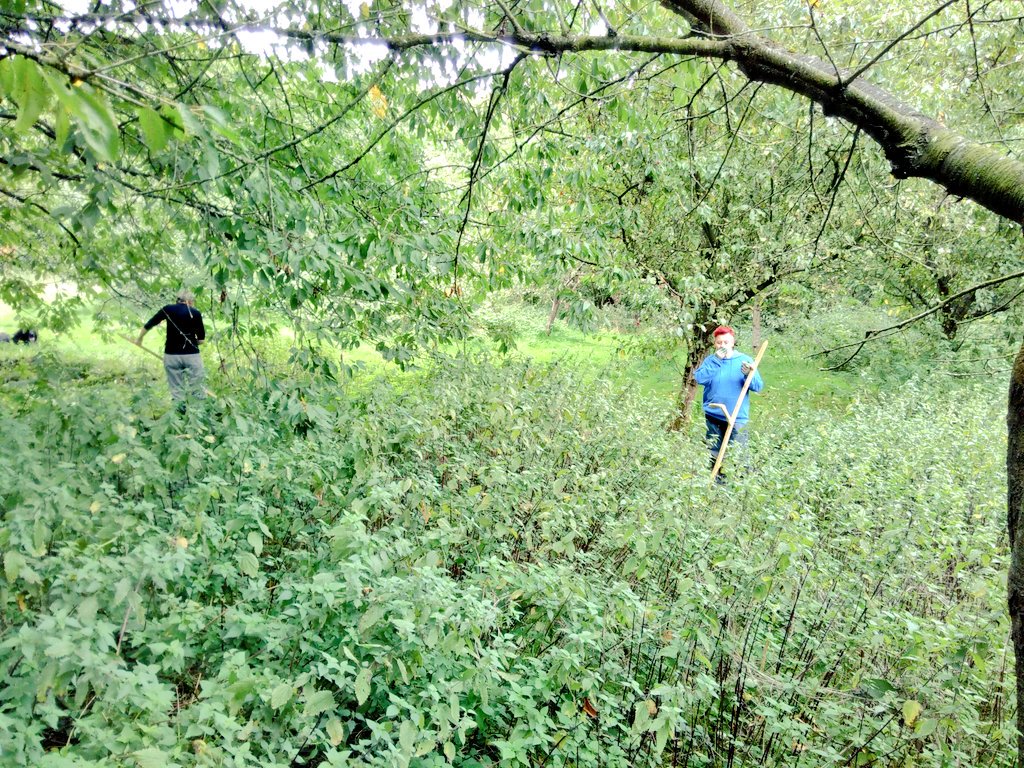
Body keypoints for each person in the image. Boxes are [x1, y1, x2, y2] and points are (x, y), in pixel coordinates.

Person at [693, 325, 764, 478]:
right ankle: (717, 486)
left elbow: (758, 386)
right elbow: (699, 378)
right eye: (719, 343)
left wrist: (748, 375)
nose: (723, 346)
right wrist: (716, 361)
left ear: (733, 343)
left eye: (726, 342)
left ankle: (741, 486)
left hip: (737, 417)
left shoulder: (745, 360)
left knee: (739, 454)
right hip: (714, 415)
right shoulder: (711, 361)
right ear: (715, 344)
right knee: (714, 454)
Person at [137, 289, 206, 407]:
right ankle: (198, 414)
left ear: (177, 300)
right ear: (190, 301)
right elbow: (201, 340)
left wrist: (139, 339)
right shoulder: (195, 313)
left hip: (171, 356)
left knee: (176, 391)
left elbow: (150, 323)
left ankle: (179, 415)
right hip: (192, 355)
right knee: (197, 388)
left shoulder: (168, 309)